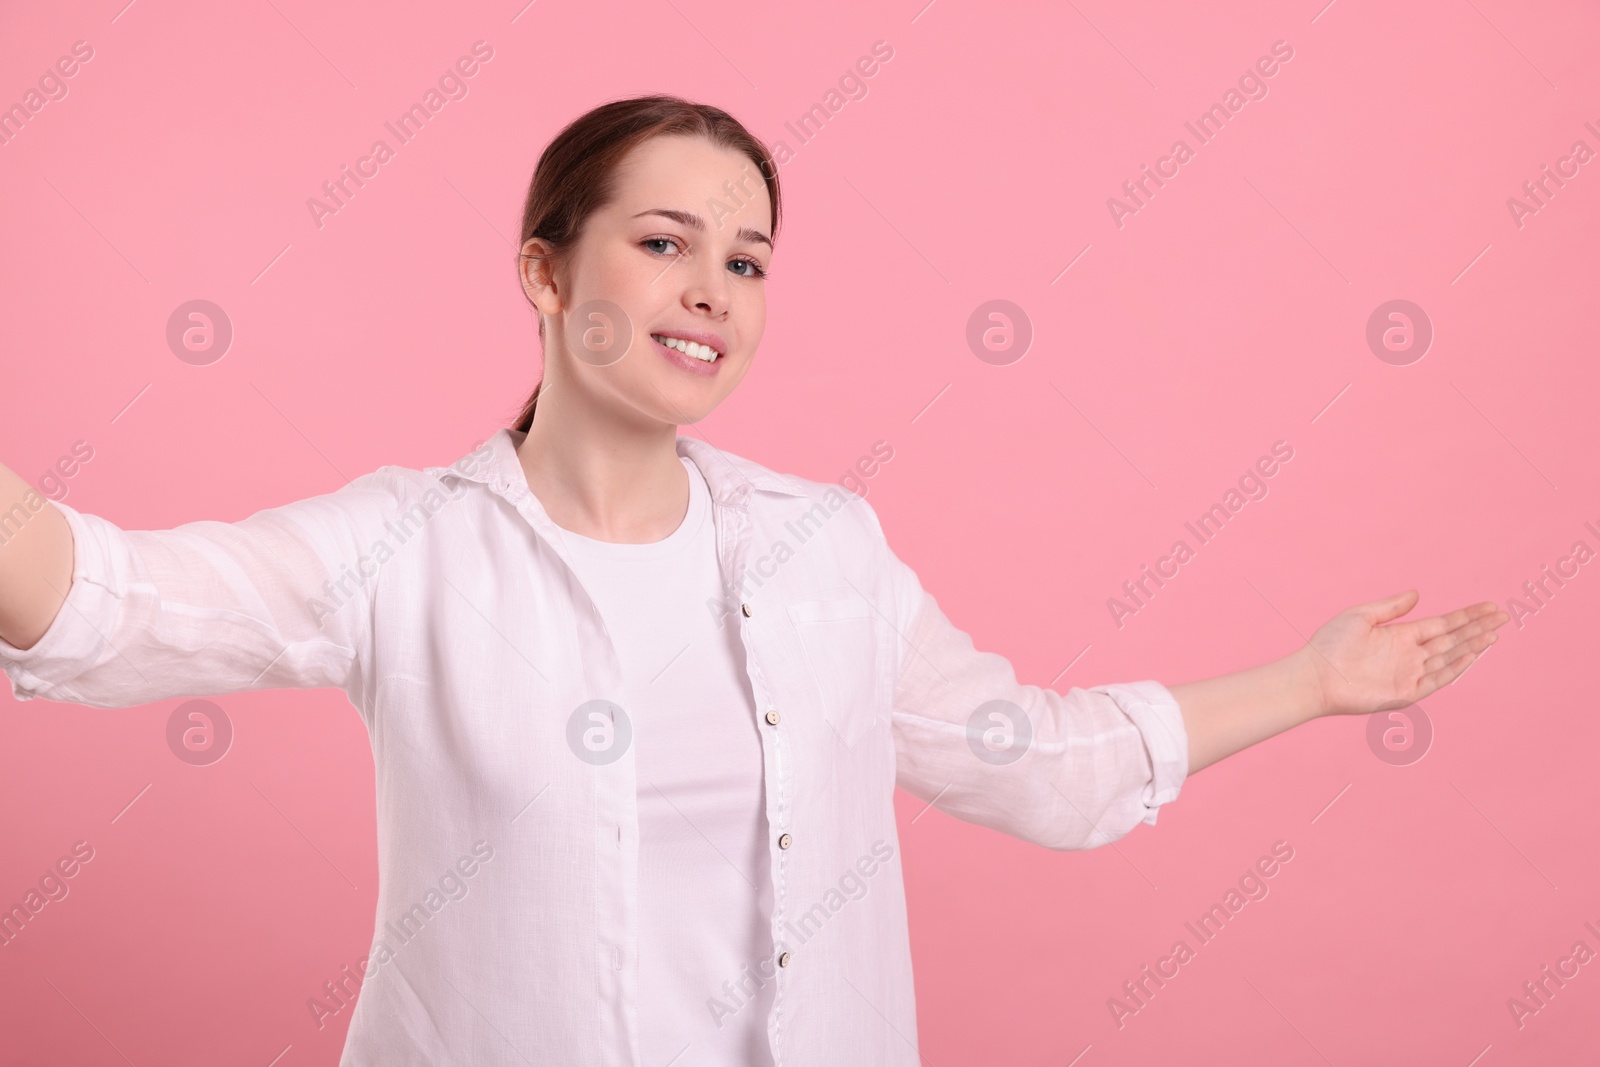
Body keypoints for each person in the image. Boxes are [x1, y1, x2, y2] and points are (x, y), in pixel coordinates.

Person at [0, 95, 1507, 1066]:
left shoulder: (821, 551)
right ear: (546, 272)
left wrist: (1315, 683)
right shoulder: (405, 547)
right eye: (664, 243)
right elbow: (103, 599)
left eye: (751, 259)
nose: (715, 289)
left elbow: (1035, 762)